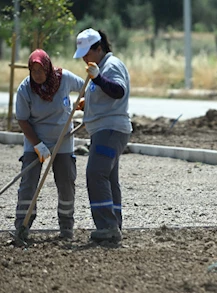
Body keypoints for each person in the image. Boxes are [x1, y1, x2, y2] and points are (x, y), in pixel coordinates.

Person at [14, 49, 85, 240]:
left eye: (41, 71)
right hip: (36, 140)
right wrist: (38, 145)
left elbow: (87, 87)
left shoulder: (65, 79)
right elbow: (22, 120)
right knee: (28, 184)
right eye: (33, 71)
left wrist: (84, 102)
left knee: (66, 182)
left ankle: (66, 227)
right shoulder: (25, 89)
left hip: (63, 139)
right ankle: (22, 226)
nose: (37, 75)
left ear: (48, 68)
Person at [73, 28, 132, 243]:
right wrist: (87, 104)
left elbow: (118, 91)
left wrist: (97, 78)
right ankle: (114, 224)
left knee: (96, 174)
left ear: (99, 48)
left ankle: (107, 226)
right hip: (106, 129)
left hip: (110, 129)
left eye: (87, 53)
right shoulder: (102, 67)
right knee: (108, 178)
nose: (85, 59)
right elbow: (106, 96)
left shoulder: (111, 65)